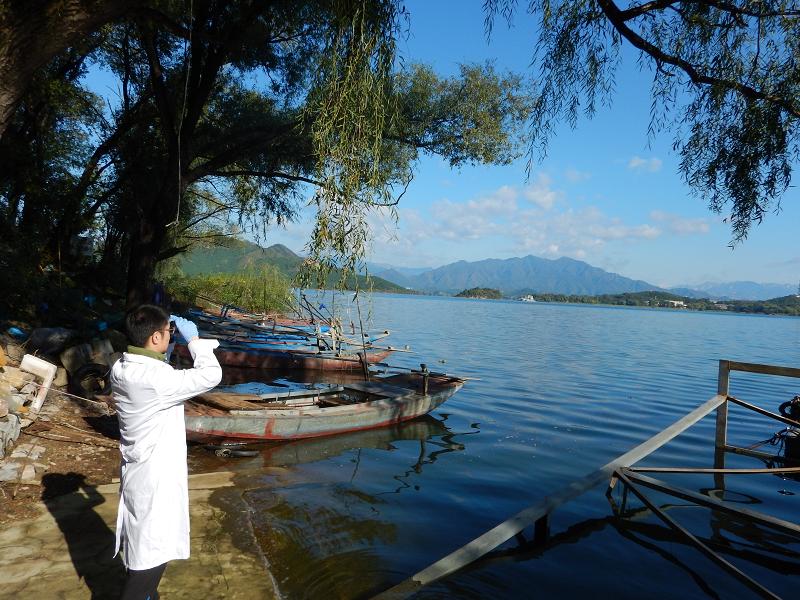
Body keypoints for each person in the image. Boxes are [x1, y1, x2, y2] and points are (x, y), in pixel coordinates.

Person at [110, 305, 222, 600]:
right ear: (156, 337)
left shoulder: (122, 368)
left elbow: (159, 368)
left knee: (142, 547)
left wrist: (169, 343)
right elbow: (210, 375)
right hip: (155, 479)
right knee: (150, 557)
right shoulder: (157, 381)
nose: (172, 337)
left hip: (140, 470)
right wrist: (195, 341)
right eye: (168, 333)